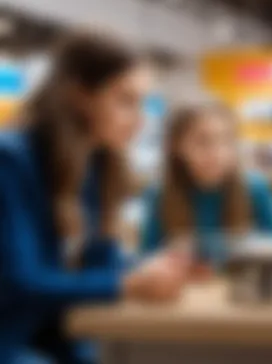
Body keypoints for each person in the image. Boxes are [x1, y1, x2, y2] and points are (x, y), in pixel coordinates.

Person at [0, 33, 187, 364]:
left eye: (142, 102)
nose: (140, 119)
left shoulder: (97, 164)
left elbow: (100, 262)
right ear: (80, 95)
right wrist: (129, 284)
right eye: (125, 101)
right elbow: (21, 282)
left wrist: (155, 267)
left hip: (55, 338)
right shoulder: (11, 160)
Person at [140, 104, 272, 275]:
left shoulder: (256, 189)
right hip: (184, 295)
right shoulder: (159, 195)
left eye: (226, 141)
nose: (217, 153)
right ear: (176, 147)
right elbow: (146, 260)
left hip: (242, 293)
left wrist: (244, 246)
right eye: (202, 142)